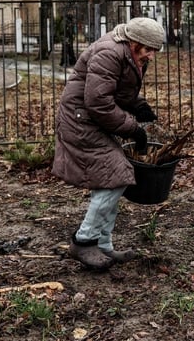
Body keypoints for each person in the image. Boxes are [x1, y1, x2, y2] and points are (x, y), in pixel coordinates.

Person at [52, 17, 164, 269]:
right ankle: (84, 241)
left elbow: (113, 89)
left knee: (111, 178)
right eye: (149, 50)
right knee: (116, 174)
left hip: (91, 119)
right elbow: (98, 102)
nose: (152, 56)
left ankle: (102, 246)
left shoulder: (127, 54)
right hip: (81, 121)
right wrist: (133, 129)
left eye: (156, 51)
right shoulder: (109, 53)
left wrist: (138, 105)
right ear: (135, 42)